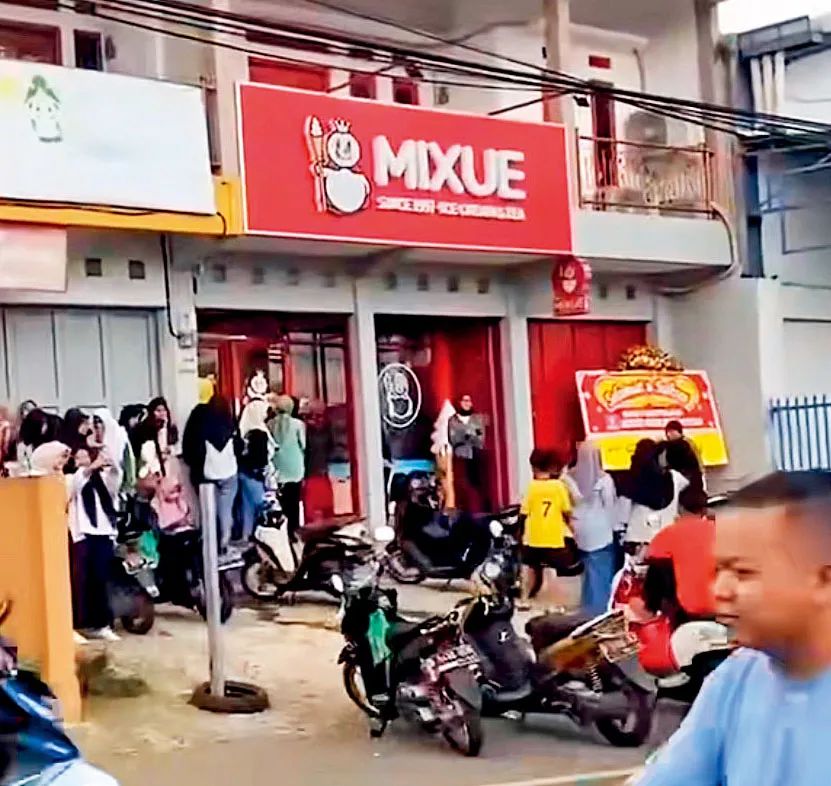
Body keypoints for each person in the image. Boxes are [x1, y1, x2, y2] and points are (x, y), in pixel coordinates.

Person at [633, 471, 831, 786]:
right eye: (719, 570)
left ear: (824, 580)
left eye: (743, 572)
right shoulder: (736, 677)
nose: (720, 591)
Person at [66, 445, 119, 642]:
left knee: (101, 579)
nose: (82, 459)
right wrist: (89, 468)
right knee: (84, 581)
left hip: (104, 533)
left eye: (85, 456)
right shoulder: (73, 478)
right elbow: (75, 485)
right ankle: (82, 624)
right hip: (84, 535)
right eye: (78, 457)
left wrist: (109, 460)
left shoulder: (102, 479)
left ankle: (102, 624)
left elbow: (116, 480)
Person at [182, 395, 238, 562]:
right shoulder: (229, 421)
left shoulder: (199, 419)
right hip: (228, 472)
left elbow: (189, 447)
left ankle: (208, 545)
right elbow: (238, 445)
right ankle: (223, 545)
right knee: (225, 510)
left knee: (207, 511)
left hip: (204, 474)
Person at [519, 449, 573, 610]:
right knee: (552, 571)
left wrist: (520, 533)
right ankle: (553, 605)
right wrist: (570, 527)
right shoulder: (558, 487)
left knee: (529, 568)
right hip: (553, 535)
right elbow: (566, 510)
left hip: (533, 535)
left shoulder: (532, 487)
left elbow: (524, 512)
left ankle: (524, 599)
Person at [570, 442, 618, 616]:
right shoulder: (604, 480)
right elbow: (610, 505)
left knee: (587, 575)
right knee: (601, 575)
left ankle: (586, 610)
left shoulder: (568, 478)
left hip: (578, 531)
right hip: (601, 532)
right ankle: (600, 612)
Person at [620, 439, 688, 547]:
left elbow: (622, 516)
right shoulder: (675, 478)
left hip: (638, 540)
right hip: (667, 537)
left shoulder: (631, 481)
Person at [269, 394, 306, 540]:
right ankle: (293, 531)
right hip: (295, 468)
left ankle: (281, 532)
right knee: (294, 502)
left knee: (281, 502)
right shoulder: (297, 424)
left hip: (278, 469)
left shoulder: (270, 424)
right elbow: (303, 445)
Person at [448, 394, 489, 514]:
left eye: (469, 401)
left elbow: (480, 438)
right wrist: (469, 434)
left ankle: (480, 510)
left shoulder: (477, 419)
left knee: (477, 484)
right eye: (464, 400)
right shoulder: (453, 421)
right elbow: (454, 439)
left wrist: (466, 435)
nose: (467, 403)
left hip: (476, 456)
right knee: (462, 485)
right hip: (460, 457)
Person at [303, 400, 335, 524]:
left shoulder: (307, 429)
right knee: (326, 506)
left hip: (311, 470)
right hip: (323, 469)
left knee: (311, 507)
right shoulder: (327, 427)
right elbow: (331, 447)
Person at [91, 408, 135, 496]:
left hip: (118, 488)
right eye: (95, 422)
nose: (97, 425)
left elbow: (129, 464)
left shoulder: (120, 440)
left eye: (100, 422)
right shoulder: (91, 442)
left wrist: (126, 488)